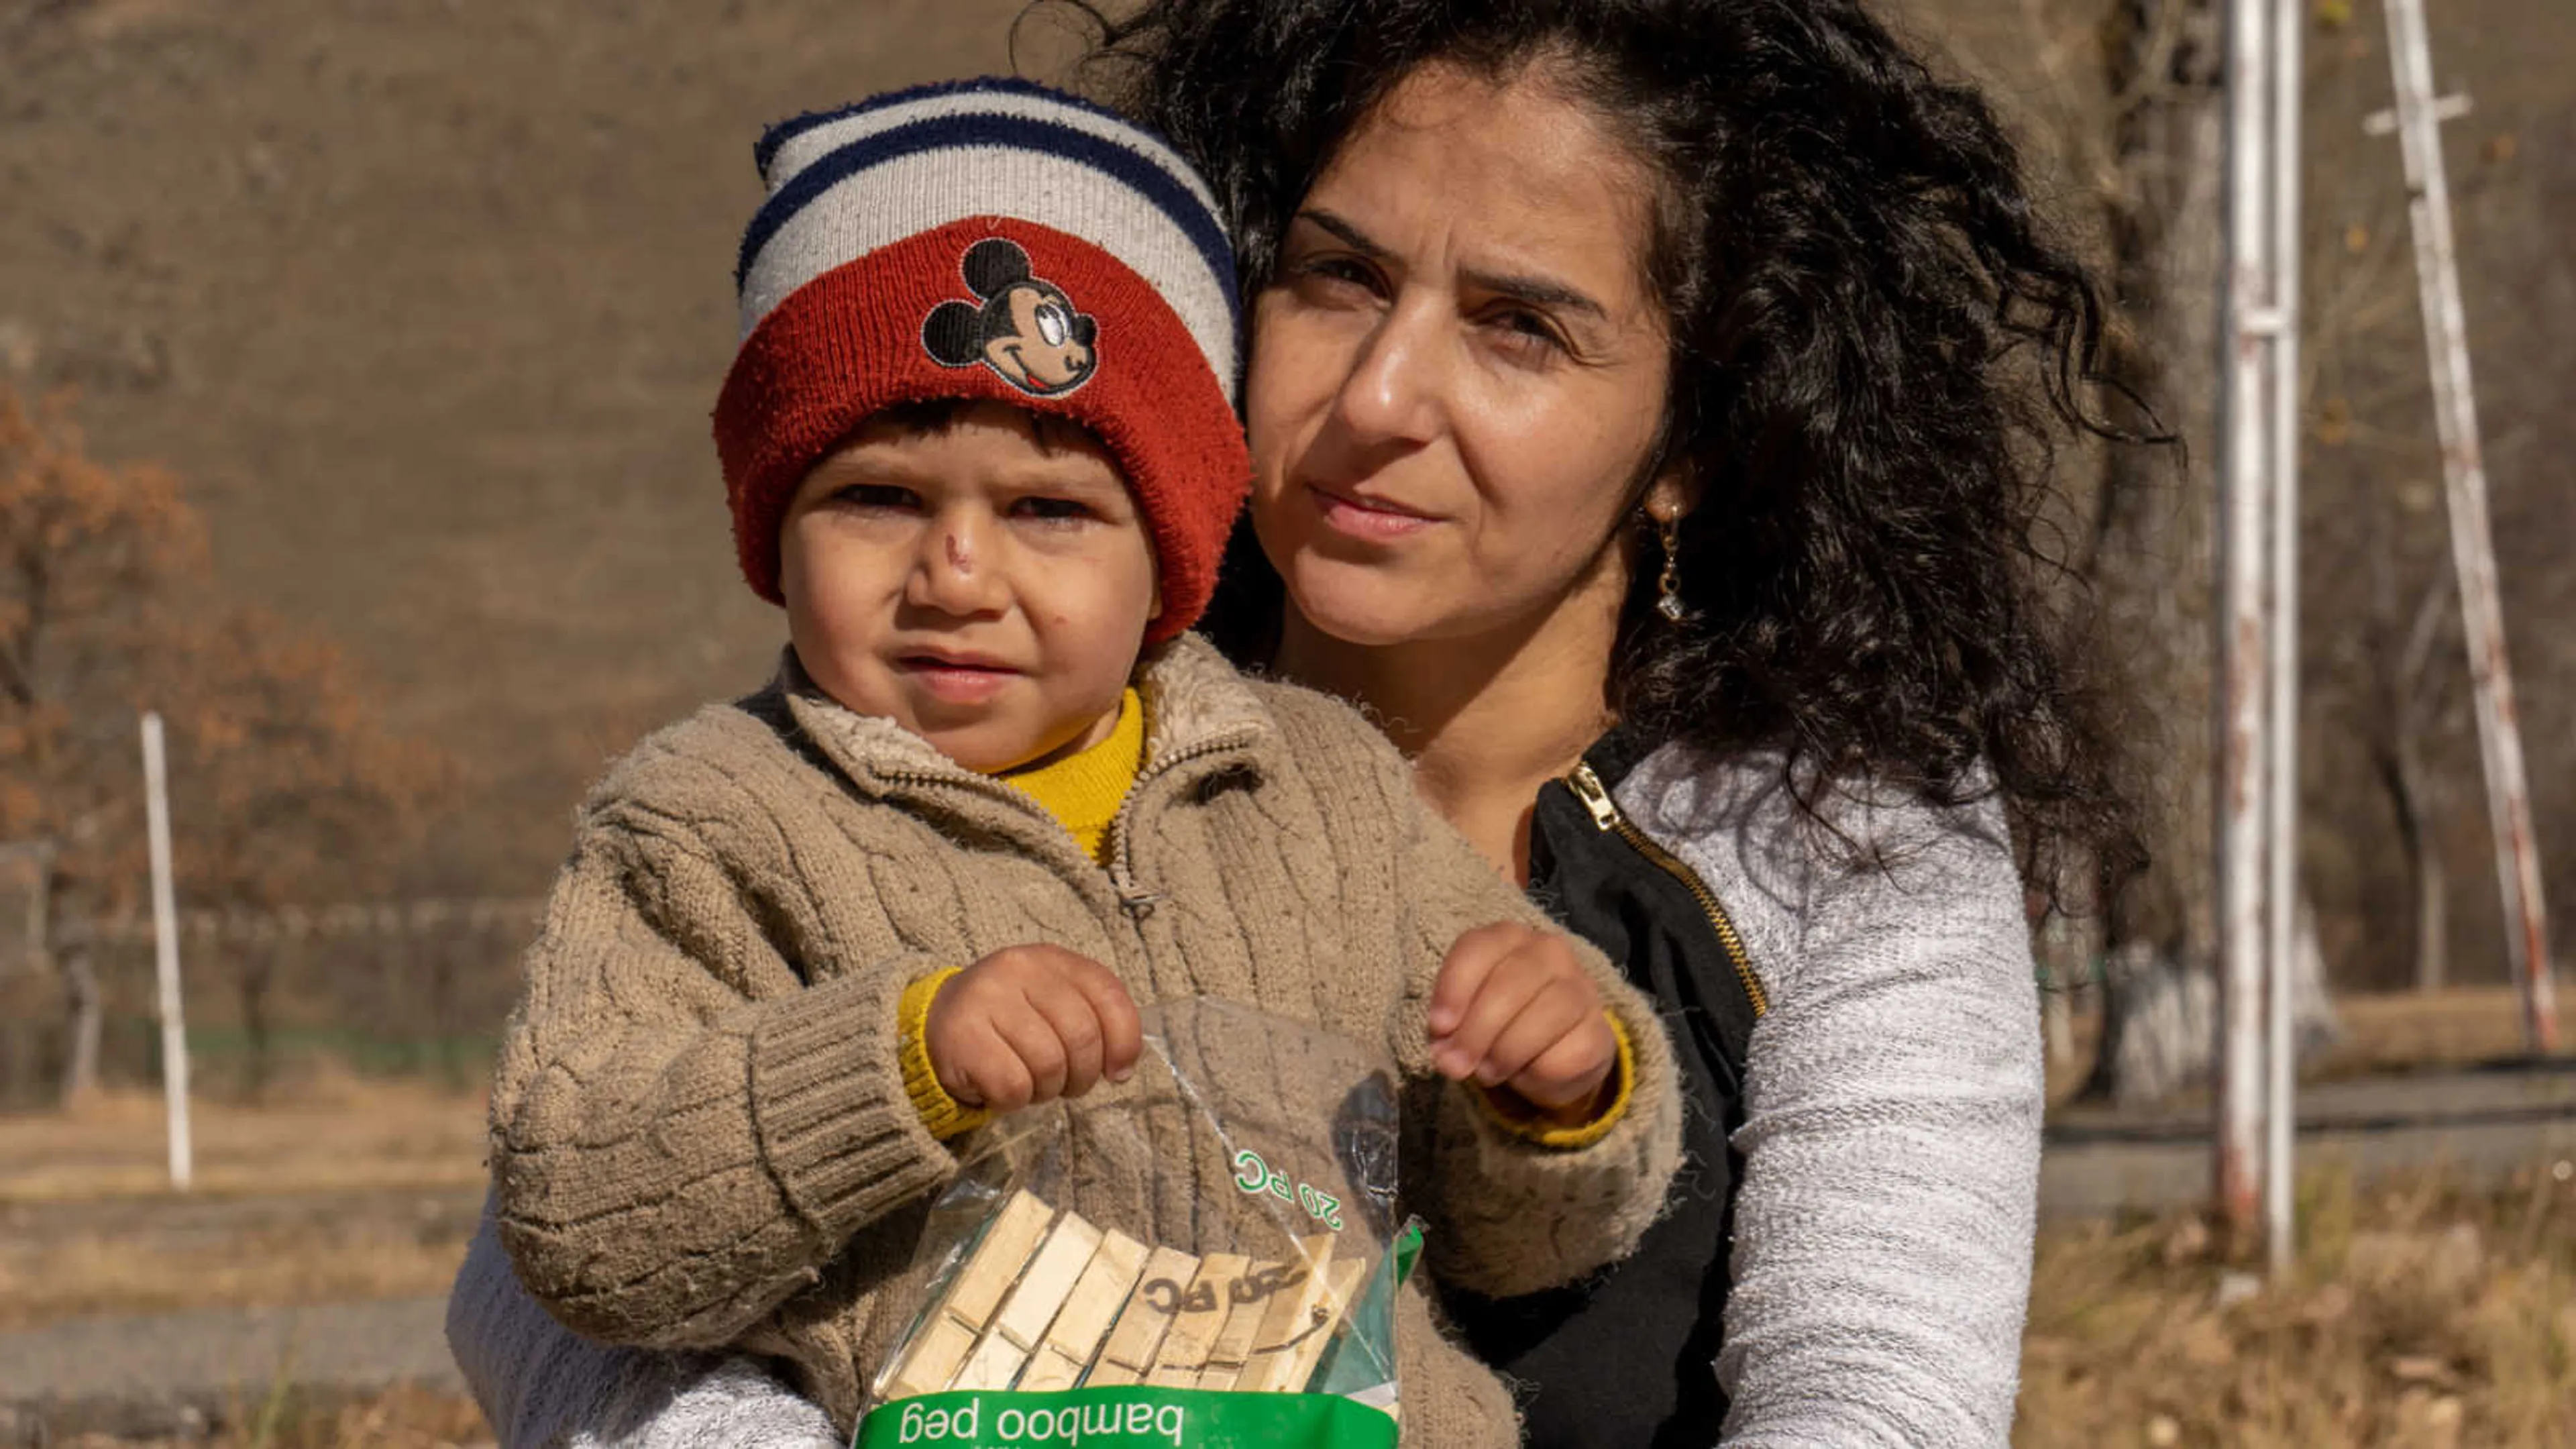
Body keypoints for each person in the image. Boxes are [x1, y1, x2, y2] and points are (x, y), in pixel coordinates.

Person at [449, 1, 2143, 1443]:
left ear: (1696, 442)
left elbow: (1877, 1394)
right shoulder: (985, 711)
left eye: (1520, 327)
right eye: (1338, 277)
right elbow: (559, 1268)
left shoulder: (1843, 844)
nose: (1378, 399)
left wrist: (1563, 1098)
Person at [473, 78, 1684, 1446]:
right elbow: (578, 1219)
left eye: (1049, 509)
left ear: (1169, 554)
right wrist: (900, 1062)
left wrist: (1559, 1089)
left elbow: (1519, 1245)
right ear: (771, 528)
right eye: (878, 497)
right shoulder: (707, 825)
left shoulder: (1323, 789)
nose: (957, 574)